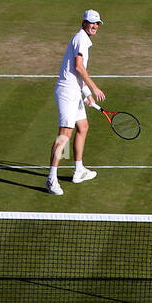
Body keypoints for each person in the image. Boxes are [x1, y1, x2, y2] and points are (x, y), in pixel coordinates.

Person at [46, 10, 106, 195]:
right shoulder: (81, 39)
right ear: (83, 23)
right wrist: (94, 88)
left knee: (83, 126)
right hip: (67, 93)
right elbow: (79, 67)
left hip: (74, 91)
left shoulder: (84, 40)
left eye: (97, 23)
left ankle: (79, 170)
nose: (94, 26)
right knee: (64, 135)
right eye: (91, 23)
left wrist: (86, 93)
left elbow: (75, 70)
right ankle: (51, 178)